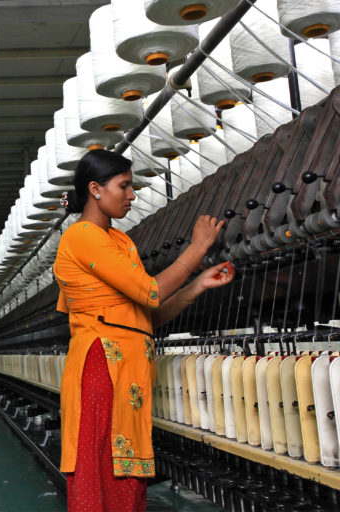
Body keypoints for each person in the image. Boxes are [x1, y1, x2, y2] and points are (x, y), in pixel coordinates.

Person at [53, 150, 235, 512]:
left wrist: (196, 285)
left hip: (129, 370)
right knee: (101, 470)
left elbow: (144, 318)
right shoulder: (81, 236)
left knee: (127, 478)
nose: (132, 195)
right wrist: (197, 248)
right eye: (124, 185)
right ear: (95, 189)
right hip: (103, 367)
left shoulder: (121, 242)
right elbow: (149, 291)